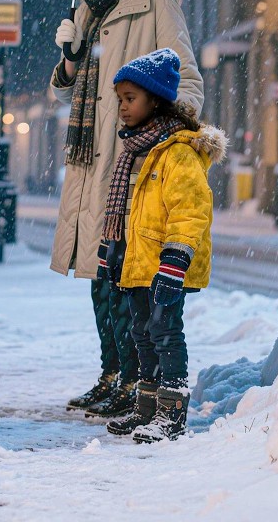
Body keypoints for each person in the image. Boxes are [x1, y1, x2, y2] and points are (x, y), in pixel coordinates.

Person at [49, 0, 204, 418]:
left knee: (126, 278)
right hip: (93, 155)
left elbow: (186, 79)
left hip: (132, 158)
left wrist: (156, 137)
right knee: (100, 272)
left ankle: (138, 379)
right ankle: (112, 372)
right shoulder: (90, 9)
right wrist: (71, 54)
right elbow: (69, 85)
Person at [95, 49, 225, 442]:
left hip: (166, 264)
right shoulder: (135, 150)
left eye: (130, 99)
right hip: (137, 263)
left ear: (156, 100)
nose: (123, 108)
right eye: (120, 100)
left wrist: (175, 261)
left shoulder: (178, 152)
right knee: (141, 334)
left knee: (165, 331)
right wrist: (111, 252)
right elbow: (129, 211)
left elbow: (190, 211)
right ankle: (147, 406)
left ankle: (171, 412)